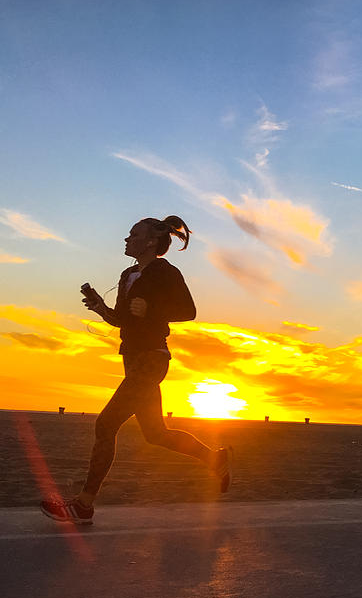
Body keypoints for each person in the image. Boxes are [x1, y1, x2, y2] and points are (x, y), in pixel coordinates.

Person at [41, 216, 232, 525]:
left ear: (151, 242)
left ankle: (84, 503)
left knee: (105, 425)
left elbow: (189, 311)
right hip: (132, 359)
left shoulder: (167, 272)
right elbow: (121, 320)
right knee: (155, 433)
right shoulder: (128, 274)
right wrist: (100, 307)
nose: (126, 239)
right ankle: (215, 457)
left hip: (152, 360)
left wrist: (153, 310)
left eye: (133, 234)